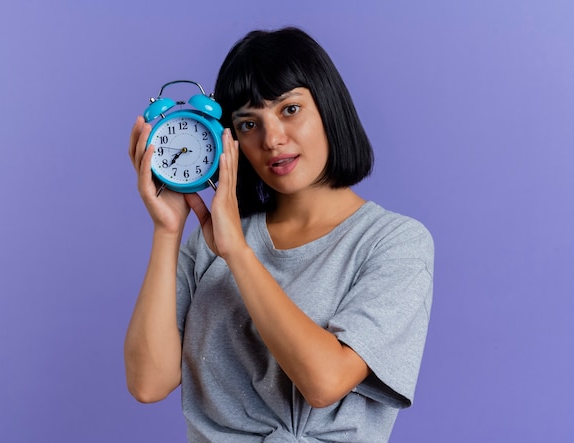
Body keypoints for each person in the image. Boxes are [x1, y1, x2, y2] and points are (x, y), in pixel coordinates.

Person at [125, 27, 434, 442]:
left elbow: (324, 382)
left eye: (290, 110)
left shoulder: (393, 242)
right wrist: (167, 231)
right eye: (249, 123)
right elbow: (148, 383)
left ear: (328, 106)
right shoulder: (209, 242)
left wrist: (238, 253)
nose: (272, 139)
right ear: (229, 142)